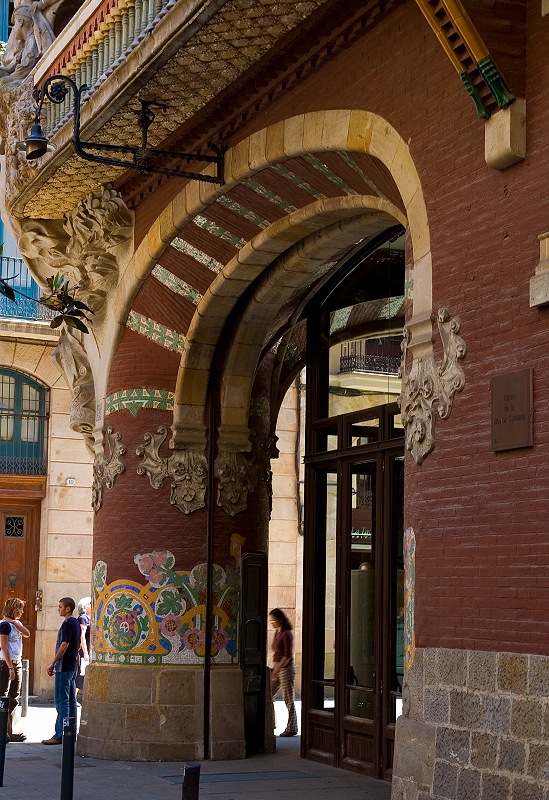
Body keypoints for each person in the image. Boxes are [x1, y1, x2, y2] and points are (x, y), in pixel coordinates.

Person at [42, 597, 80, 745]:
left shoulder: (67, 623)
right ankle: (70, 732)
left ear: (67, 608)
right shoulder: (76, 623)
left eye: (60, 607)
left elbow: (64, 645)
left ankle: (60, 734)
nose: (58, 609)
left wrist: (53, 662)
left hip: (64, 667)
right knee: (71, 702)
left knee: (61, 702)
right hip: (72, 666)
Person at [0, 598, 30, 742]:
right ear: (14, 609)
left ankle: (12, 730)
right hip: (5, 664)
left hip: (16, 662)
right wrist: (10, 668)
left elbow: (27, 634)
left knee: (14, 697)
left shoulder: (15, 624)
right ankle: (2, 731)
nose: (22, 611)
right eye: (20, 609)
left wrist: (17, 624)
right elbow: (4, 647)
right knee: (3, 696)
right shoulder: (4, 626)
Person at [269, 607, 298, 737]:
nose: (272, 623)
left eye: (274, 620)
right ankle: (270, 724)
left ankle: (292, 728)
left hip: (285, 669)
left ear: (280, 619)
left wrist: (277, 670)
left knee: (288, 698)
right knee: (267, 695)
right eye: (271, 621)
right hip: (277, 669)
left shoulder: (287, 634)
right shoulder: (277, 632)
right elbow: (276, 652)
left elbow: (286, 656)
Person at [75, 597, 91, 699]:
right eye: (90, 603)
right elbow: (82, 636)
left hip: (88, 649)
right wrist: (85, 653)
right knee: (81, 674)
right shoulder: (83, 618)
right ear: (85, 606)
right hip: (84, 650)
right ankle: (73, 697)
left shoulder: (88, 617)